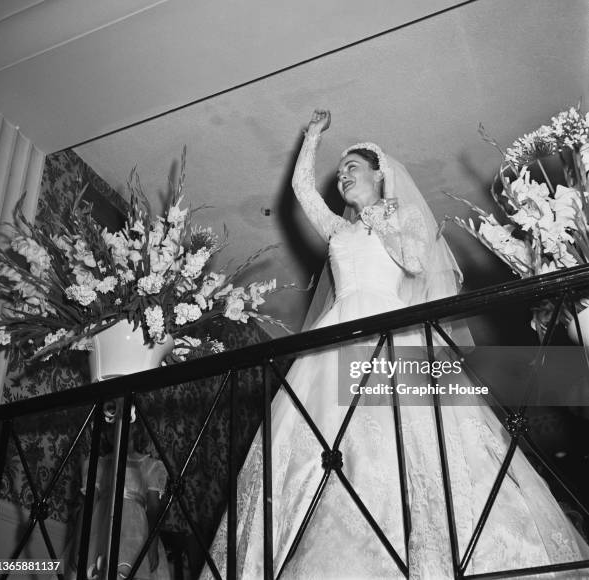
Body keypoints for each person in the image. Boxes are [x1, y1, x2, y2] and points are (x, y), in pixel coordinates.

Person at [201, 110, 589, 579]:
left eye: (353, 168)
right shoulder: (338, 231)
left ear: (380, 175)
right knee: (318, 444)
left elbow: (413, 261)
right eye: (341, 171)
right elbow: (302, 192)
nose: (343, 177)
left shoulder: (401, 214)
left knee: (415, 443)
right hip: (336, 337)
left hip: (390, 334)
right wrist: (311, 138)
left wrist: (381, 215)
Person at [65, 422, 171, 580]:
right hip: (101, 529)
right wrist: (77, 542)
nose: (116, 429)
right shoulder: (98, 464)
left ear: (136, 428)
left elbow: (154, 510)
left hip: (136, 535)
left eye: (124, 423)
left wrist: (152, 542)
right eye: (111, 426)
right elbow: (88, 506)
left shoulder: (150, 466)